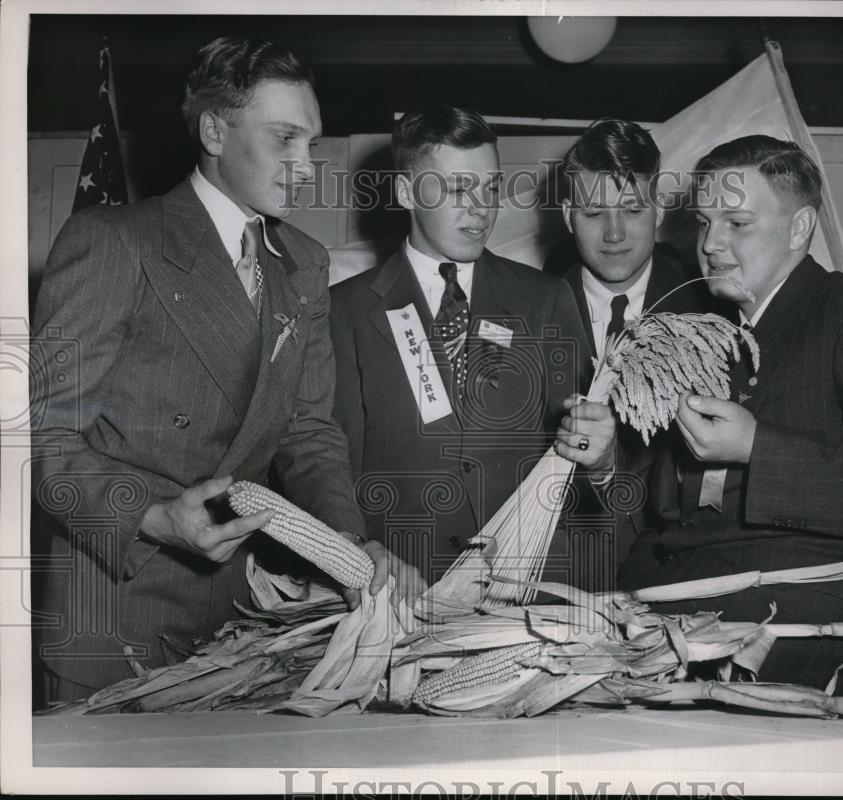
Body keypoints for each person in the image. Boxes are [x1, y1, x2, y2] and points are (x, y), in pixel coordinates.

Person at [30, 37, 420, 704]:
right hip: (118, 620)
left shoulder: (303, 262)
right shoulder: (116, 241)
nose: (306, 166)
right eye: (283, 139)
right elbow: (40, 440)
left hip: (243, 630)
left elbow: (308, 434)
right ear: (214, 130)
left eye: (313, 144)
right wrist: (153, 515)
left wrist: (350, 548)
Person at [618, 135, 843, 693]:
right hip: (674, 599)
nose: (711, 243)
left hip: (800, 611)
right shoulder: (708, 338)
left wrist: (761, 449)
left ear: (800, 229)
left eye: (738, 223)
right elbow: (666, 515)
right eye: (705, 223)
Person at [330, 105, 616, 586]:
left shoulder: (544, 298)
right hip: (402, 590)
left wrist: (604, 459)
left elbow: (582, 455)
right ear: (405, 193)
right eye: (459, 189)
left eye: (491, 188)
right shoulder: (345, 311)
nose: (481, 209)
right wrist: (356, 552)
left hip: (526, 592)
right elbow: (331, 468)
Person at [558, 119, 721, 585]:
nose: (614, 234)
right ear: (567, 216)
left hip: (682, 569)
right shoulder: (526, 308)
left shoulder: (717, 311)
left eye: (631, 209)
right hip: (564, 573)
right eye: (593, 214)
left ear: (660, 211)